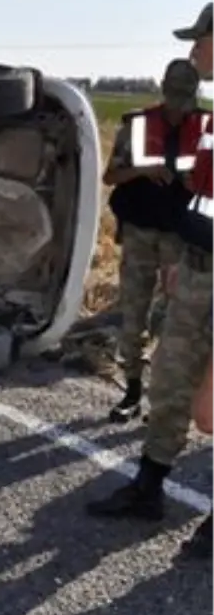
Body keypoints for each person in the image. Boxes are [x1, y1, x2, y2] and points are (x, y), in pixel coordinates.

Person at [86, 7, 214, 555]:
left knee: (211, 403)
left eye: (199, 42)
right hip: (195, 265)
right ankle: (149, 486)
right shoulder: (192, 123)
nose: (193, 53)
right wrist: (184, 253)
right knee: (171, 380)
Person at [103, 59, 203, 422]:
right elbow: (110, 175)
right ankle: (131, 390)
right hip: (141, 231)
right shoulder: (138, 125)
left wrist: (196, 182)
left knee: (178, 319)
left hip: (183, 235)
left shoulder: (207, 127)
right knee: (134, 311)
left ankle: (167, 399)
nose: (178, 107)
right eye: (174, 96)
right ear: (163, 89)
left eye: (185, 98)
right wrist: (143, 170)